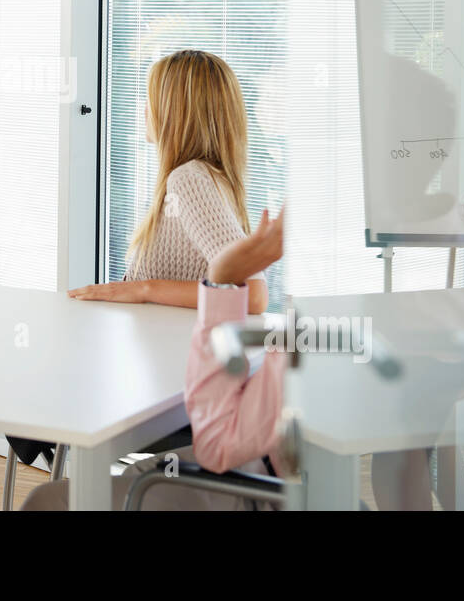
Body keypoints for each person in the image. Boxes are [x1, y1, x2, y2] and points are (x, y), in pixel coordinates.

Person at [21, 213, 287, 510]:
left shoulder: (187, 179)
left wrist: (222, 278)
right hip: (272, 470)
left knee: (47, 501)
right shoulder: (327, 330)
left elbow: (217, 441)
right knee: (139, 472)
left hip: (263, 487)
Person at [68, 49, 268, 313]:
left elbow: (254, 296)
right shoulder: (206, 177)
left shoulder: (188, 179)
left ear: (177, 113)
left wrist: (144, 289)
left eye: (152, 99)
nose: (145, 110)